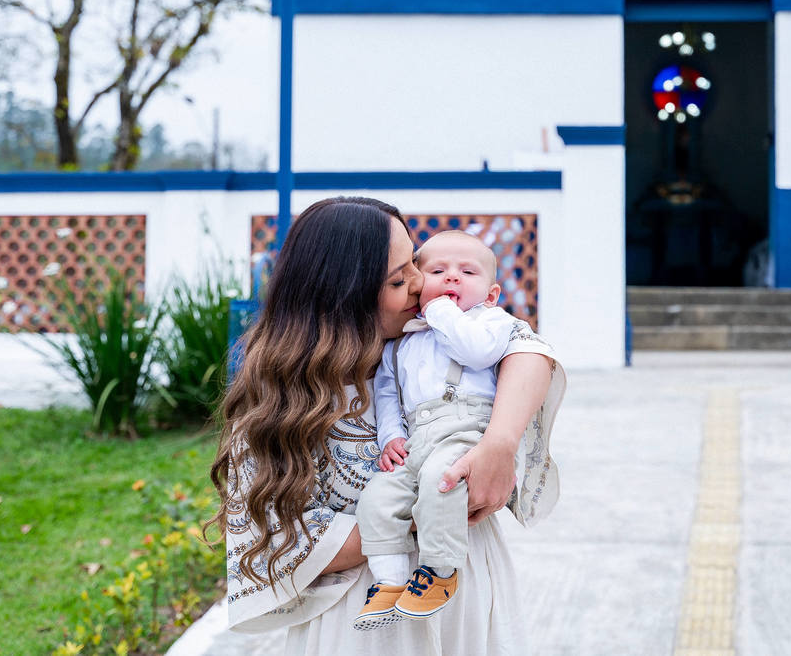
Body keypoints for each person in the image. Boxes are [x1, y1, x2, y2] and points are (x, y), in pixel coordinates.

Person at [208, 197, 565, 655]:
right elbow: (280, 543)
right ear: (345, 297)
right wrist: (433, 505)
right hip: (363, 623)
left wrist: (499, 444)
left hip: (467, 602)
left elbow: (530, 349)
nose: (420, 283)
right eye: (399, 279)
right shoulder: (280, 403)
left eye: (415, 263)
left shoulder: (434, 342)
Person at [353, 231, 520, 629]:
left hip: (465, 430)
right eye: (438, 271)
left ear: (492, 294)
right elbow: (387, 392)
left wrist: (441, 311)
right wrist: (390, 436)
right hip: (417, 436)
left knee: (440, 482)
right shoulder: (401, 341)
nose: (452, 278)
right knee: (378, 497)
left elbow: (475, 352)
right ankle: (389, 580)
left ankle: (440, 571)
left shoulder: (491, 321)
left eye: (467, 272)